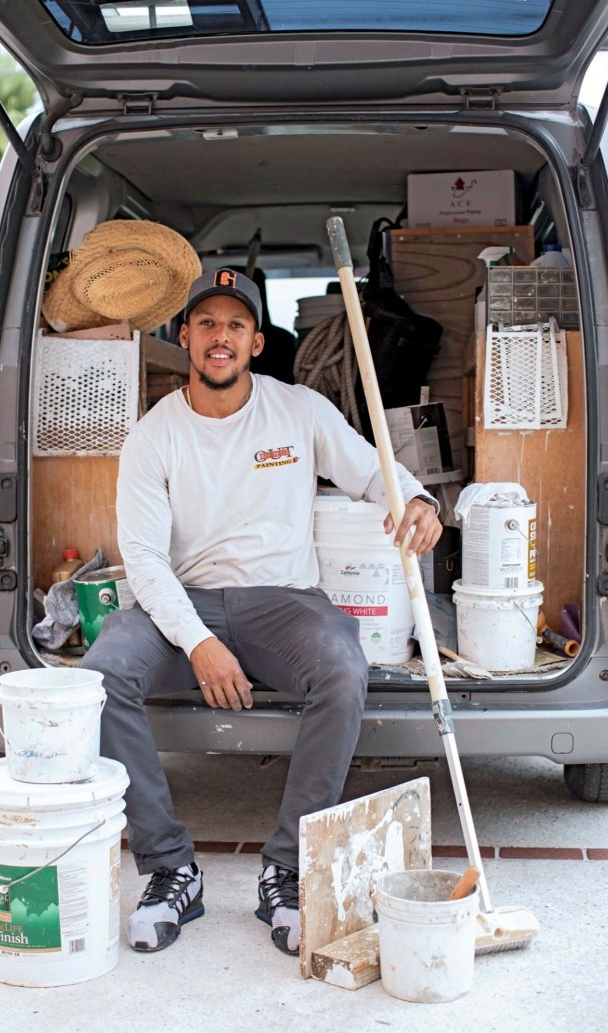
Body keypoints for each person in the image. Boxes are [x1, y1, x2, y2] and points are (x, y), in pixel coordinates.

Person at [81, 267, 442, 957]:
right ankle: (169, 870)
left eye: (236, 326)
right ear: (184, 335)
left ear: (256, 341)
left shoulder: (299, 410)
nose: (221, 338)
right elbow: (147, 562)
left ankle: (286, 868)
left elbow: (371, 473)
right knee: (100, 676)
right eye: (208, 324)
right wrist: (198, 644)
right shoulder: (152, 436)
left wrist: (419, 501)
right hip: (179, 604)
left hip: (282, 602)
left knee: (342, 666)